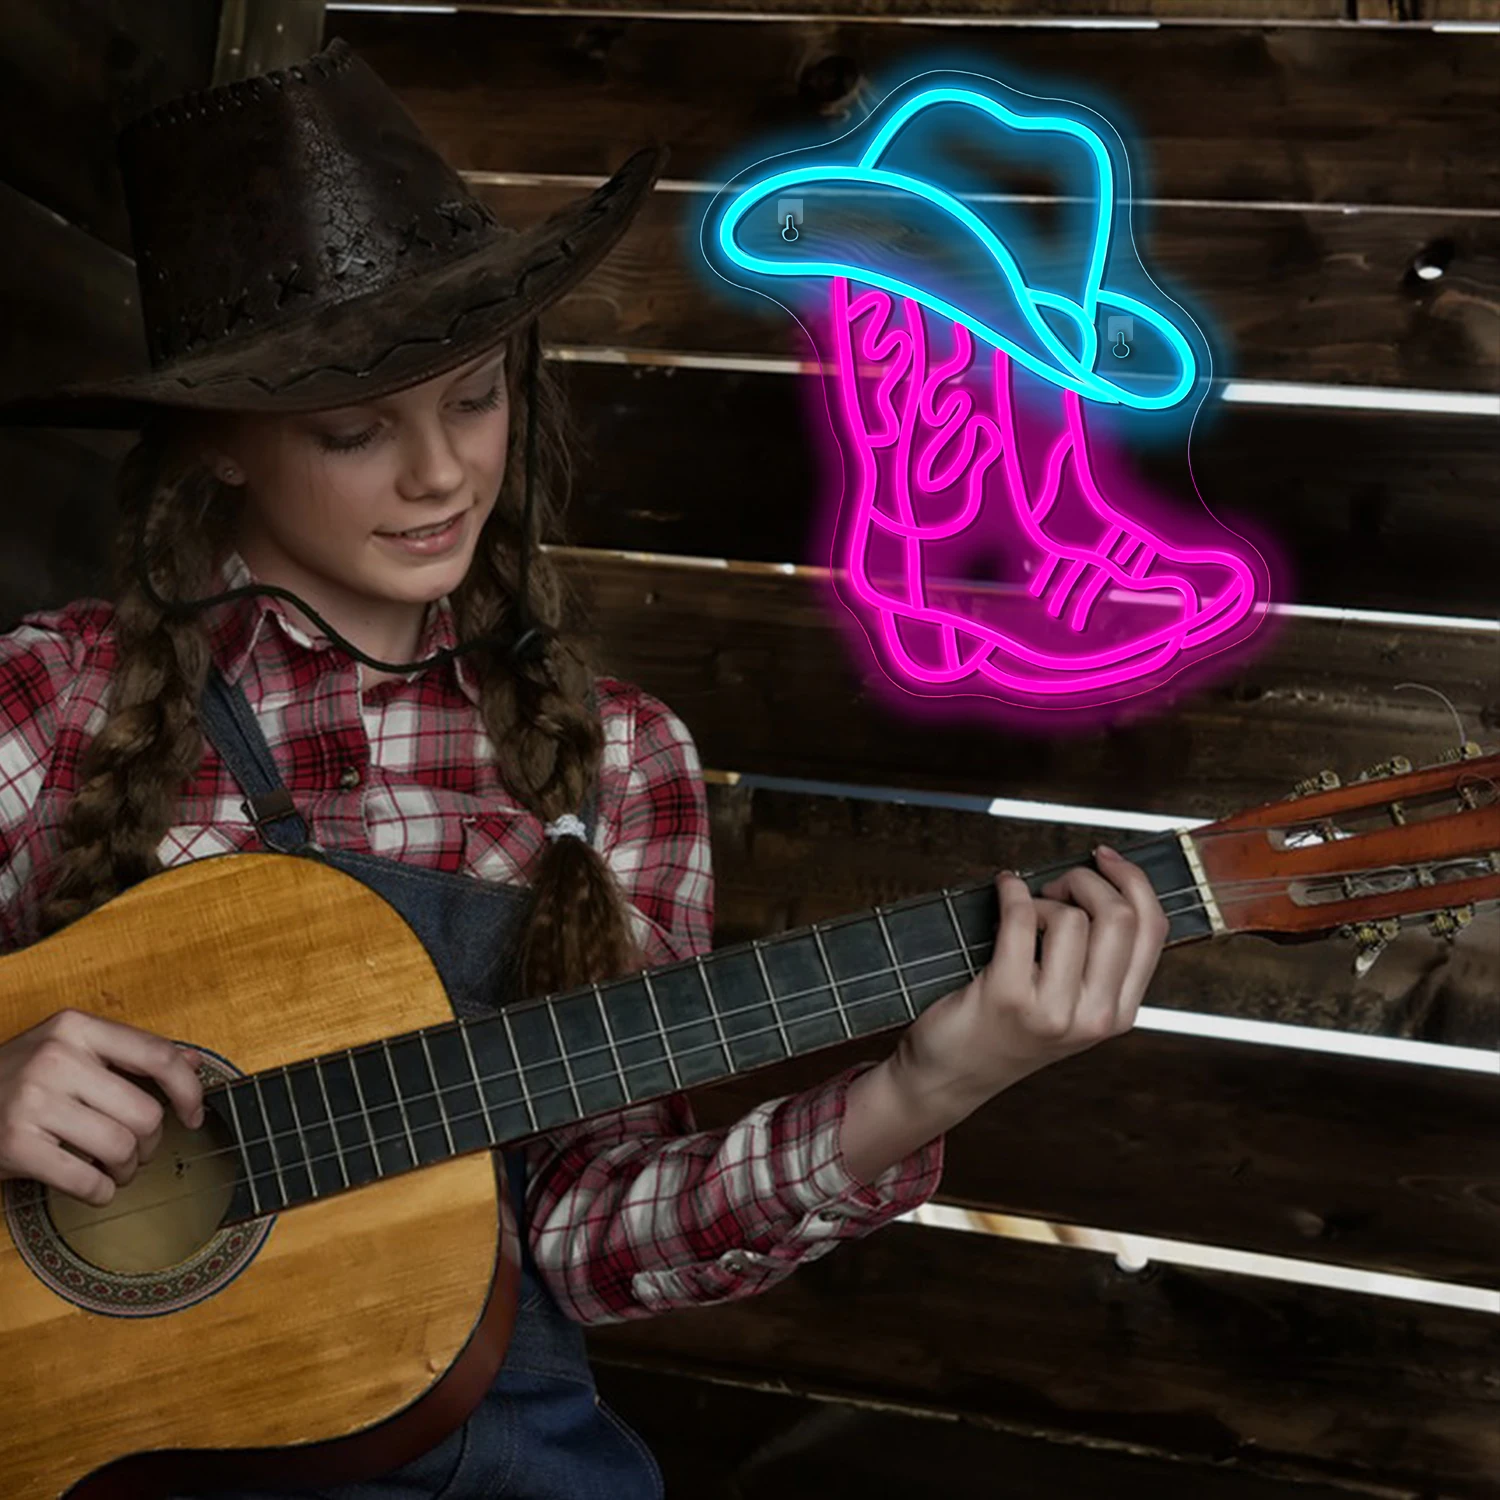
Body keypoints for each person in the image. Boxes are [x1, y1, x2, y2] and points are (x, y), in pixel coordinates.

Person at [0, 37, 1170, 1500]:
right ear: (221, 441)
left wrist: (925, 1088)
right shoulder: (55, 698)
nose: (440, 476)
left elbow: (588, 1247)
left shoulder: (617, 758)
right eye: (356, 429)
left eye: (475, 399)